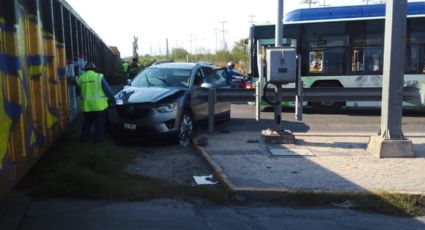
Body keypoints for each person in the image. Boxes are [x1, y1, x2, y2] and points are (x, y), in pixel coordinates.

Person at [76, 62, 115, 144]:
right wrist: (113, 100)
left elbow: (75, 82)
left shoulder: (81, 78)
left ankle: (84, 139)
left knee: (87, 123)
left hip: (87, 107)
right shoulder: (99, 77)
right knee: (99, 124)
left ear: (85, 70)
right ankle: (97, 141)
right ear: (94, 69)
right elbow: (108, 91)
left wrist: (71, 78)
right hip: (99, 107)